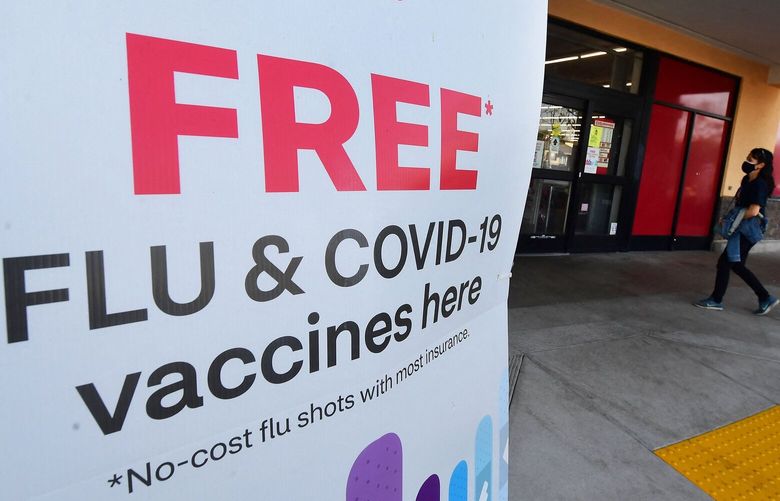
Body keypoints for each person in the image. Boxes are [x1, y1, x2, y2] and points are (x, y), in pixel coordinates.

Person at [695, 147, 778, 315]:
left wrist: (731, 220)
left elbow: (754, 211)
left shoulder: (760, 184)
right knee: (737, 265)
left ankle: (716, 300)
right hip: (742, 227)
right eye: (747, 157)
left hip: (748, 230)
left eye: (751, 159)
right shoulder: (747, 180)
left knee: (725, 263)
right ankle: (765, 297)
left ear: (761, 165)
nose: (746, 161)